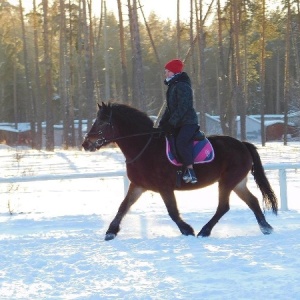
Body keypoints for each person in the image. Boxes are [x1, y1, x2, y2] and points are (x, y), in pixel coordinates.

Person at [159, 59, 199, 184]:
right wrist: (163, 123)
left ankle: (190, 171)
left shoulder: (182, 86)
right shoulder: (173, 85)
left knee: (181, 142)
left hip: (188, 122)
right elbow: (170, 108)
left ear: (174, 72)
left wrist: (171, 123)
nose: (166, 74)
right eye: (166, 71)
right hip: (178, 122)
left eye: (168, 71)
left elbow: (183, 106)